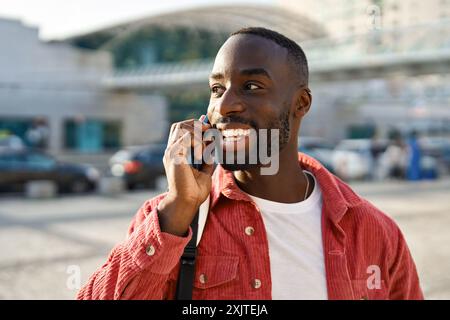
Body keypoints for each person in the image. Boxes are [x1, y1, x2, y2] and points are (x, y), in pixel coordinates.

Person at [77, 27, 423, 300]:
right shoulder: (171, 219)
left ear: (300, 104)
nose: (225, 106)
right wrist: (178, 208)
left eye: (252, 86)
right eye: (216, 88)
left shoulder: (376, 232)